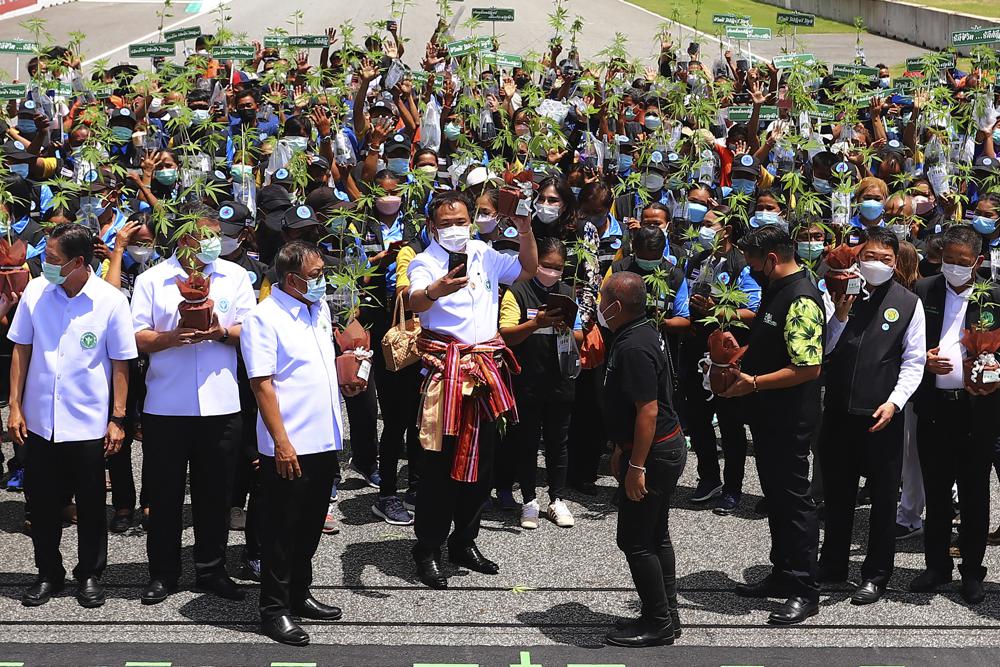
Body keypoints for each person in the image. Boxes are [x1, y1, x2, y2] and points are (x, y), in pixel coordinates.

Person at [406, 189, 537, 589]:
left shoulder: (484, 252)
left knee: (482, 466)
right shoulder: (426, 262)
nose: (454, 229)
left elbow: (528, 270)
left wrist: (526, 228)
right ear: (431, 227)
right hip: (446, 374)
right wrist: (436, 291)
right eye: (444, 224)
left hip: (485, 371)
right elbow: (414, 301)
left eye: (460, 221)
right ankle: (427, 548)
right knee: (439, 467)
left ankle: (464, 540)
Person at [8, 223, 137, 607]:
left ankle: (90, 575)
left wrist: (118, 418)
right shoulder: (36, 291)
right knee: (43, 504)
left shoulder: (110, 301)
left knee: (93, 504)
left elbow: (120, 364)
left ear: (79, 262)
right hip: (40, 421)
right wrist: (15, 406)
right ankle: (48, 572)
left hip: (88, 422)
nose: (44, 265)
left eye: (52, 260)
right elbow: (21, 350)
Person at [131, 208, 256, 604]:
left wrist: (220, 332)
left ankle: (211, 570)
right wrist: (172, 338)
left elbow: (250, 330)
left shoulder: (234, 276)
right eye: (204, 235)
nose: (211, 243)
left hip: (221, 404)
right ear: (183, 236)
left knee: (215, 494)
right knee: (165, 496)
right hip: (166, 405)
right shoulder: (153, 279)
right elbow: (137, 337)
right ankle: (163, 573)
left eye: (216, 235)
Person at [242, 241, 364, 646]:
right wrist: (281, 443)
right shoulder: (263, 318)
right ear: (291, 279)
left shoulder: (318, 308)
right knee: (281, 529)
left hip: (324, 438)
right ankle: (274, 608)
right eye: (315, 276)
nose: (321, 281)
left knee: (311, 525)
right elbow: (262, 385)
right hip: (289, 442)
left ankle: (299, 592)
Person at [722, 225, 825, 625]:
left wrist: (754, 383)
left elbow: (808, 367)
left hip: (790, 418)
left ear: (772, 259)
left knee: (795, 502)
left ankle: (804, 588)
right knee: (777, 499)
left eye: (752, 261)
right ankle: (782, 573)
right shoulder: (775, 291)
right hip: (767, 415)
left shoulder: (801, 298)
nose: (748, 269)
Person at [818, 226, 926, 605]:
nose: (877, 264)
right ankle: (831, 564)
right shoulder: (840, 292)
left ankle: (876, 575)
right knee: (837, 494)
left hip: (882, 413)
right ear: (858, 257)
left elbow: (914, 361)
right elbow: (825, 349)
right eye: (871, 257)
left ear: (896, 263)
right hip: (838, 412)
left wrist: (894, 402)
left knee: (882, 500)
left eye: (885, 259)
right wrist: (841, 316)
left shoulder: (908, 303)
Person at [910, 225, 1000, 605]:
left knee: (975, 494)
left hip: (978, 412)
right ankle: (936, 566)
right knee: (937, 492)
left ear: (977, 262)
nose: (954, 268)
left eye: (962, 263)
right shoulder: (925, 290)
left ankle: (972, 571)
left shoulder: (993, 297)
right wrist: (922, 361)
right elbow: (908, 345)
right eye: (948, 260)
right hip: (935, 410)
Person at [600, 271, 686, 648]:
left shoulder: (634, 346)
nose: (599, 305)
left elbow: (647, 410)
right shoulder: (644, 332)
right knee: (655, 535)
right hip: (658, 448)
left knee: (635, 540)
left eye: (604, 298)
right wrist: (622, 446)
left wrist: (636, 466)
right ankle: (666, 613)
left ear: (617, 305)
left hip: (654, 454)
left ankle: (658, 623)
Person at [498, 236, 579, 530]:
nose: (552, 272)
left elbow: (580, 337)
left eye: (558, 267)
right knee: (527, 442)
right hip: (526, 380)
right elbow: (506, 334)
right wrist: (536, 323)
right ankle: (529, 500)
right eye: (546, 265)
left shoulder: (568, 293)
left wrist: (568, 326)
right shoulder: (517, 292)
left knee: (559, 442)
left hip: (560, 379)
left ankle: (557, 499)